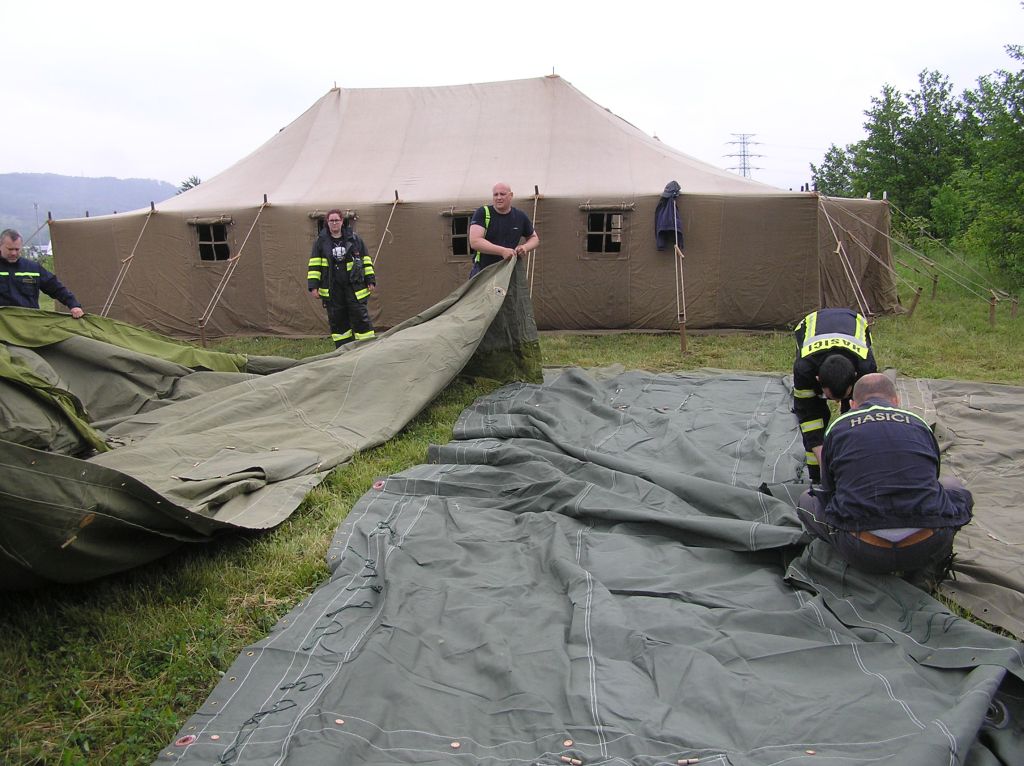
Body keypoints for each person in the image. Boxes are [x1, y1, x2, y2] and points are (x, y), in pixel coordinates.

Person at [797, 373, 973, 586]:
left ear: (852, 405)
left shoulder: (839, 426)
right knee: (954, 487)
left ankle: (843, 569)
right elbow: (933, 478)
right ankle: (929, 569)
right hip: (926, 544)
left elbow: (828, 490)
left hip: (863, 550)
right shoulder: (919, 423)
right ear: (896, 401)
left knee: (806, 500)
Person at [792, 307, 877, 482]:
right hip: (810, 324)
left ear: (855, 377)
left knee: (855, 419)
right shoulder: (804, 369)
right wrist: (821, 458)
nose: (836, 402)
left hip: (854, 321)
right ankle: (816, 478)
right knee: (814, 421)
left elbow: (864, 414)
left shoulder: (865, 368)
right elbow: (807, 415)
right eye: (831, 398)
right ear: (817, 379)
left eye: (842, 397)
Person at [307, 210, 376, 348]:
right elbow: (314, 265)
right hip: (333, 288)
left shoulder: (355, 239)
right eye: (331, 221)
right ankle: (343, 350)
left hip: (354, 286)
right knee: (338, 320)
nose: (334, 223)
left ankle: (367, 347)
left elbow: (366, 260)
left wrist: (370, 279)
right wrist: (313, 286)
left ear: (342, 221)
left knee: (360, 317)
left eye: (336, 220)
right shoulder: (321, 242)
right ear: (327, 223)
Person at [0, 228, 85, 318]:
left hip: (29, 323)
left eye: (17, 249)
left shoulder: (32, 268)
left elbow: (55, 287)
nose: (13, 253)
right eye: (10, 249)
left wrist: (74, 305)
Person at [467, 182, 540, 278]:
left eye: (502, 194)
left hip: (509, 272)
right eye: (495, 194)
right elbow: (475, 242)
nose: (499, 198)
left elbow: (534, 238)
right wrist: (502, 251)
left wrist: (525, 247)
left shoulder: (520, 216)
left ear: (511, 195)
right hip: (484, 271)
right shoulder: (483, 213)